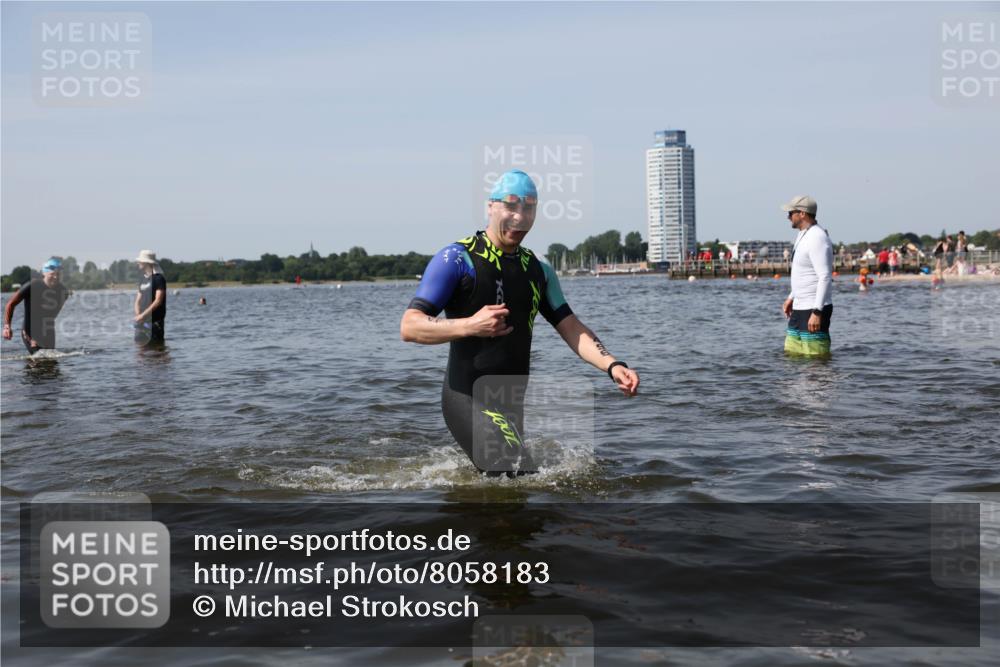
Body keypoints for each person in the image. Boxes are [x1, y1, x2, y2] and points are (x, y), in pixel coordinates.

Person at [400, 170, 640, 476]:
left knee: (516, 493)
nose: (519, 216)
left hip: (510, 400)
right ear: (491, 207)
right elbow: (410, 326)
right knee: (512, 470)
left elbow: (570, 327)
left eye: (529, 208)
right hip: (466, 395)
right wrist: (470, 325)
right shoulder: (457, 260)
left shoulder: (538, 270)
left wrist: (612, 364)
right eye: (511, 205)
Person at [781, 195, 834, 357]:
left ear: (802, 213)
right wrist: (792, 297)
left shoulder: (817, 237)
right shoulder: (803, 234)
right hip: (799, 306)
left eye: (791, 213)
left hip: (813, 308)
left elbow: (824, 276)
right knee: (792, 356)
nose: (788, 216)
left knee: (815, 360)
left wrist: (817, 312)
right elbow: (802, 272)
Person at [3, 258, 70, 355]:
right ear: (44, 273)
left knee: (52, 363)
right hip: (30, 330)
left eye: (58, 275)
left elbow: (53, 315)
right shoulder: (32, 285)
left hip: (48, 330)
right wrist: (7, 326)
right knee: (38, 360)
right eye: (52, 274)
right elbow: (11, 304)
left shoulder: (63, 292)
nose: (55, 277)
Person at [133, 249, 167, 345]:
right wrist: (138, 315)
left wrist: (143, 315)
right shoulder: (142, 279)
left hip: (155, 322)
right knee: (140, 352)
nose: (138, 262)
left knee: (156, 351)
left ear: (146, 262)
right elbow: (137, 300)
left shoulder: (159, 279)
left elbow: (158, 301)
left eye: (140, 261)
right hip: (142, 321)